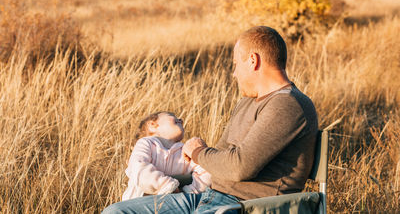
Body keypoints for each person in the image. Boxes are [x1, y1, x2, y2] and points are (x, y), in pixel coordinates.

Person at [102, 26, 318, 214]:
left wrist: (197, 151)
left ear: (253, 60)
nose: (234, 74)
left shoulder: (287, 105)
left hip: (243, 207)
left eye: (236, 64)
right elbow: (222, 157)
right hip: (208, 197)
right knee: (116, 211)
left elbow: (238, 168)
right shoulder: (248, 101)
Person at [122, 111, 211, 201]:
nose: (181, 120)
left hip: (173, 204)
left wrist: (188, 194)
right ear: (152, 125)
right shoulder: (146, 143)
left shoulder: (184, 151)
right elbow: (140, 167)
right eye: (172, 116)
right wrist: (167, 185)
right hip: (137, 204)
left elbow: (206, 172)